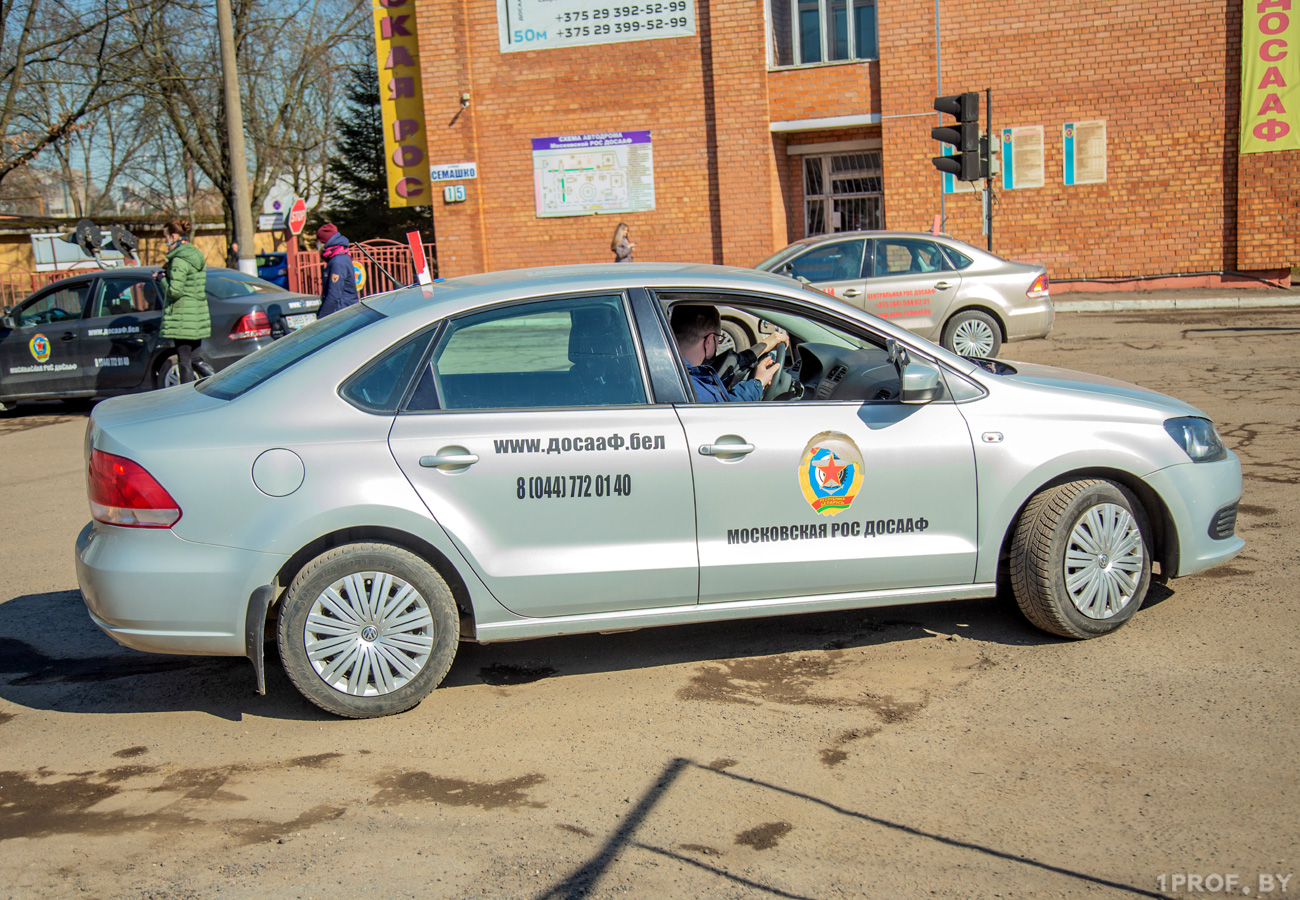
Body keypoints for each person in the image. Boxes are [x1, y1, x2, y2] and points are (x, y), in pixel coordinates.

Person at [671, 304, 786, 402]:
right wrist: (758, 383)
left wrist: (762, 347)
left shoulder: (672, 371)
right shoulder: (694, 388)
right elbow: (725, 410)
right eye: (719, 339)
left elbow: (723, 369)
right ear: (709, 341)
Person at [156, 219, 210, 384]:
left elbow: (175, 291)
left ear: (173, 236)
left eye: (166, 238)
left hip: (182, 317)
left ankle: (186, 394)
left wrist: (161, 279)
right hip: (197, 315)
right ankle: (213, 379)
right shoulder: (195, 255)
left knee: (184, 360)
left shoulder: (179, 260)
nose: (166, 243)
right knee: (195, 358)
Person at [315, 223, 360, 318]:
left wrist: (322, 319)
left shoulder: (338, 262)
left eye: (318, 242)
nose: (317, 246)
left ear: (324, 242)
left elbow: (334, 295)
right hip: (343, 311)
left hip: (343, 313)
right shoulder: (339, 257)